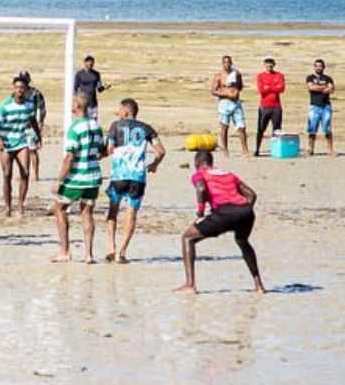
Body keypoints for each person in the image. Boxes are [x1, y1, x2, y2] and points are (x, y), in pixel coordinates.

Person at [173, 150, 265, 295]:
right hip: (246, 212)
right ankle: (259, 286)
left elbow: (201, 189)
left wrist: (200, 212)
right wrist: (242, 213)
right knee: (243, 242)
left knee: (187, 238)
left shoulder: (199, 174)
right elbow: (252, 195)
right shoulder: (228, 174)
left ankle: (190, 285)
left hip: (225, 212)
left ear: (197, 163)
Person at [104, 98, 164, 263]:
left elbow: (109, 149)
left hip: (119, 175)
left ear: (126, 111)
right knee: (131, 213)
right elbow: (161, 151)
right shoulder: (146, 128)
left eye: (119, 109)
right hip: (137, 177)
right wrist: (154, 165)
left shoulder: (116, 126)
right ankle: (122, 252)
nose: (118, 112)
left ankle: (111, 247)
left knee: (113, 210)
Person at [50, 92, 104, 264]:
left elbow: (69, 157)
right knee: (87, 213)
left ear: (78, 105)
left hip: (77, 177)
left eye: (73, 102)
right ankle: (88, 254)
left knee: (59, 209)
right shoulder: (96, 126)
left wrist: (59, 180)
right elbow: (101, 150)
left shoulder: (74, 129)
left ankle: (65, 251)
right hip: (93, 177)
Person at [0, 75, 41, 217]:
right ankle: (8, 207)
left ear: (26, 89)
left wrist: (38, 136)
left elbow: (33, 120)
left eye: (22, 88)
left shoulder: (29, 105)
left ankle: (20, 205)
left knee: (25, 172)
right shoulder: (6, 105)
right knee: (7, 174)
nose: (19, 90)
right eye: (17, 87)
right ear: (13, 89)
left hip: (21, 142)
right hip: (7, 143)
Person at [211, 55, 249, 157]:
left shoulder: (236, 74)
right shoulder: (219, 76)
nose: (227, 64)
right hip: (224, 104)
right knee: (224, 127)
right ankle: (225, 150)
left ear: (231, 63)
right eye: (225, 62)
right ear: (222, 64)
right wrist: (226, 94)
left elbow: (240, 86)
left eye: (228, 62)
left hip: (236, 103)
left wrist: (235, 92)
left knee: (241, 127)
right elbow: (213, 91)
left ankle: (245, 150)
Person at [18, 71, 47, 181]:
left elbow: (42, 108)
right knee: (20, 151)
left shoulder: (35, 93)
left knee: (32, 150)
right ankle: (23, 173)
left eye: (25, 79)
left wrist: (41, 122)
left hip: (31, 125)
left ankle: (35, 174)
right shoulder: (16, 93)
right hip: (19, 125)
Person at [254, 56, 285, 156]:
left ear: (274, 64)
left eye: (271, 63)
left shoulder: (279, 75)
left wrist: (269, 87)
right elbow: (261, 90)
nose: (269, 65)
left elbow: (281, 89)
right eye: (267, 63)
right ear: (265, 64)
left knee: (277, 130)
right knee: (261, 129)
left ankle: (276, 150)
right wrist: (274, 87)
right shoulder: (260, 76)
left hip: (276, 106)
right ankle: (257, 149)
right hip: (264, 106)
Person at [305, 59, 336, 157]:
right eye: (317, 66)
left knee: (327, 128)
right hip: (314, 106)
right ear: (314, 67)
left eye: (320, 66)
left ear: (323, 67)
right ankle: (311, 149)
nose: (318, 68)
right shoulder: (310, 77)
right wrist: (323, 87)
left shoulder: (328, 78)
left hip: (325, 106)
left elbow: (331, 89)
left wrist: (319, 87)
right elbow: (311, 87)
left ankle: (330, 150)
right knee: (312, 128)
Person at [73, 55, 110, 121]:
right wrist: (76, 101)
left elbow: (99, 89)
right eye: (88, 62)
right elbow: (75, 88)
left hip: (93, 103)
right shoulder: (79, 74)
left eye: (91, 62)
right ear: (85, 62)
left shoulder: (96, 74)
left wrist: (105, 87)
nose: (90, 64)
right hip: (83, 103)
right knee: (82, 121)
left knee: (93, 122)